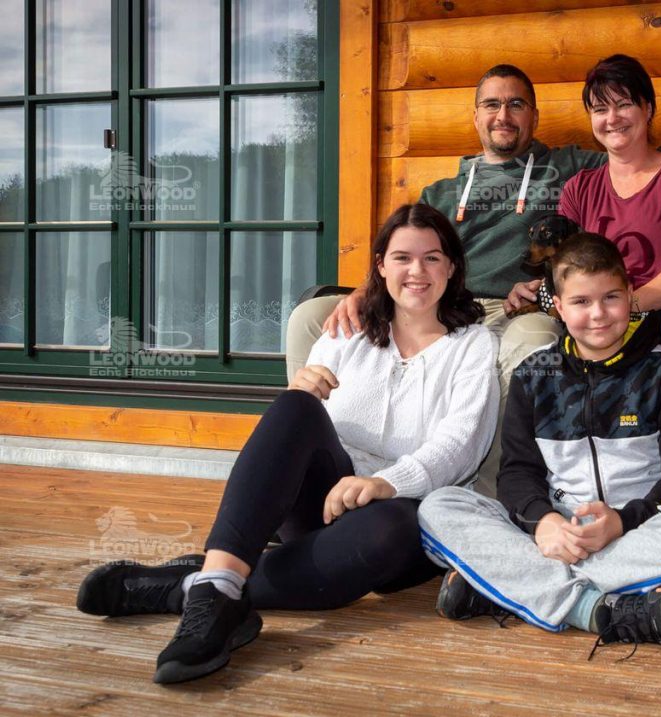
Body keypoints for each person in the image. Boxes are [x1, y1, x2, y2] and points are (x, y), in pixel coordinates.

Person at [76, 203, 499, 684]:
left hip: (399, 517)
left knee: (396, 524)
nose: (416, 271)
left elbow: (461, 442)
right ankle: (217, 593)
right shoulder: (347, 330)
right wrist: (303, 390)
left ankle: (199, 587)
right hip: (321, 504)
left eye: (432, 258)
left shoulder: (473, 345)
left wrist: (385, 482)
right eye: (402, 258)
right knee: (295, 406)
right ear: (381, 266)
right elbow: (297, 433)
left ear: (452, 268)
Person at [287, 64, 661, 495]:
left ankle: (489, 496)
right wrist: (365, 291)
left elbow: (629, 146)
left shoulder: (564, 167)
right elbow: (407, 249)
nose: (503, 115)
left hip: (515, 309)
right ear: (475, 117)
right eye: (491, 104)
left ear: (534, 117)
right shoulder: (443, 191)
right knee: (311, 316)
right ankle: (310, 462)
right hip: (438, 303)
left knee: (535, 342)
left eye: (516, 104)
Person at [418, 234, 661, 657]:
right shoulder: (535, 374)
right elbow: (516, 473)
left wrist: (622, 522)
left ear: (631, 296)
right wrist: (543, 521)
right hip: (553, 534)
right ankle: (597, 610)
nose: (598, 314)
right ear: (559, 308)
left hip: (637, 531)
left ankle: (507, 587)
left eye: (611, 298)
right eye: (581, 302)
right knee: (439, 507)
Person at [505, 54, 661, 434]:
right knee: (564, 356)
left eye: (624, 104)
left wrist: (627, 306)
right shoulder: (579, 189)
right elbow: (571, 268)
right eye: (600, 108)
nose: (612, 117)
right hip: (617, 318)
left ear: (648, 109)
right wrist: (542, 291)